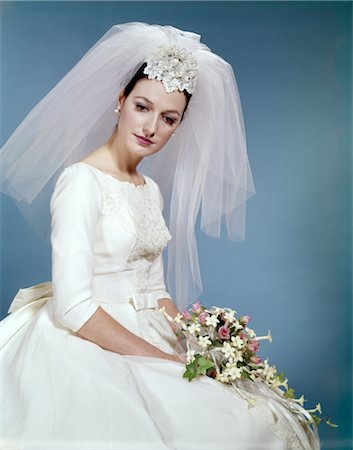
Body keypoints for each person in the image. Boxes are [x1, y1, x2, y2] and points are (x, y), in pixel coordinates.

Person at [0, 22, 320, 449]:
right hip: (89, 333)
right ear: (120, 102)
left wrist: (199, 341)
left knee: (248, 410)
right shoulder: (81, 181)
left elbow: (155, 288)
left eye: (167, 118)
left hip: (149, 328)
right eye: (142, 107)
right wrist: (165, 361)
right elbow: (74, 307)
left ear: (178, 125)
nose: (150, 127)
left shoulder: (149, 189)